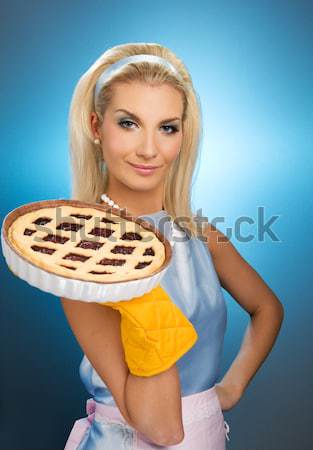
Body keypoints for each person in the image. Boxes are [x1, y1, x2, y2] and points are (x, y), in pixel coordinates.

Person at [61, 42, 284, 450]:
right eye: (129, 123)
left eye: (167, 127)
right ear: (96, 127)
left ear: (184, 134)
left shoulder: (200, 236)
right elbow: (161, 428)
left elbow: (267, 308)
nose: (149, 149)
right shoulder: (82, 255)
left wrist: (229, 390)